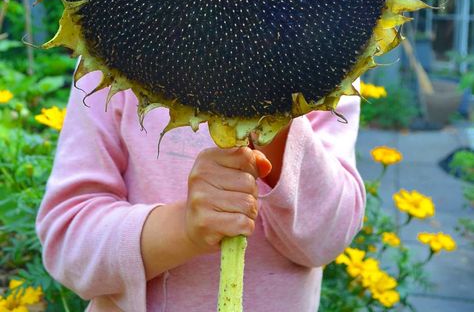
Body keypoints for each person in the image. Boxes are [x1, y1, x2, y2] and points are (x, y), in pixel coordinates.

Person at [36, 70, 365, 312]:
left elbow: (327, 239)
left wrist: (276, 119)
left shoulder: (332, 51)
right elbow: (67, 240)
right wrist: (185, 228)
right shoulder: (109, 41)